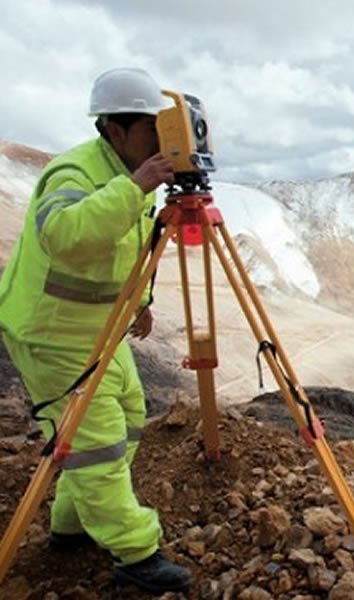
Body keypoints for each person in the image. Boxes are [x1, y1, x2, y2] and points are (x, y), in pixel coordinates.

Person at [0, 67, 192, 593]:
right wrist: (134, 188)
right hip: (53, 332)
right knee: (99, 439)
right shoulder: (75, 173)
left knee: (130, 414)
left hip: (100, 328)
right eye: (152, 129)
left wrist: (141, 302)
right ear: (114, 128)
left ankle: (72, 522)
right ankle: (136, 552)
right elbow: (66, 236)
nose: (162, 141)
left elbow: (127, 248)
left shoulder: (136, 173)